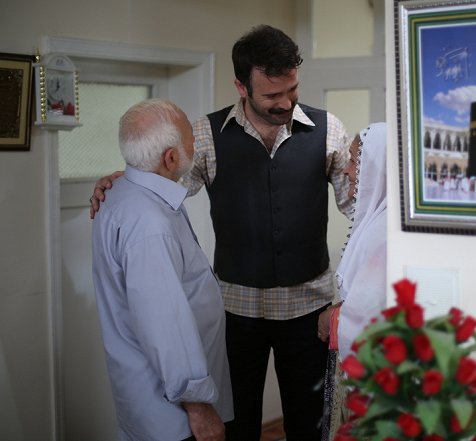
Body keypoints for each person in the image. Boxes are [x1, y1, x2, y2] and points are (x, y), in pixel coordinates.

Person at [90, 25, 352, 441]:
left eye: (292, 90)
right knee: (236, 424)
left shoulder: (330, 130)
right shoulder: (206, 134)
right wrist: (124, 180)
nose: (284, 103)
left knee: (309, 423)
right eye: (271, 95)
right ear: (241, 85)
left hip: (310, 310)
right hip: (235, 311)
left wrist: (346, 298)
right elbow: (162, 181)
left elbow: (360, 212)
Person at [91, 99, 233, 441]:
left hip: (149, 397)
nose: (195, 146)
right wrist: (199, 407)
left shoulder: (122, 192)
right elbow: (163, 324)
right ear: (170, 158)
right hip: (173, 412)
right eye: (189, 140)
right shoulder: (150, 224)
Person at [317, 122, 388, 440]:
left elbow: (377, 309)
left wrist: (335, 315)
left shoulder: (387, 230)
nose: (346, 170)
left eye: (356, 160)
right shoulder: (377, 220)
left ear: (381, 166)